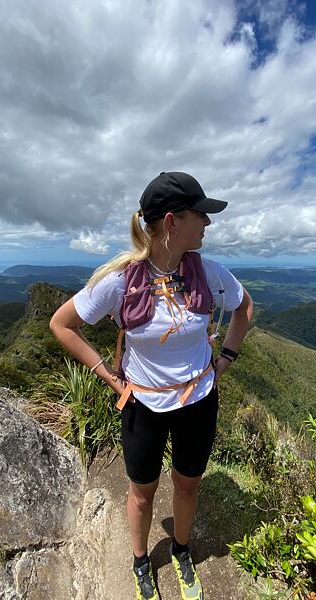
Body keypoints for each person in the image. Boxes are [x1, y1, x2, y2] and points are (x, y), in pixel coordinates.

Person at [49, 172, 253, 600]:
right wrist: (106, 373)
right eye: (202, 215)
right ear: (173, 221)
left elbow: (244, 307)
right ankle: (140, 560)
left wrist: (225, 359)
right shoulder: (121, 280)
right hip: (142, 403)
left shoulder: (210, 273)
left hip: (199, 399)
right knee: (142, 493)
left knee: (187, 483)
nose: (208, 224)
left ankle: (180, 549)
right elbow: (62, 324)